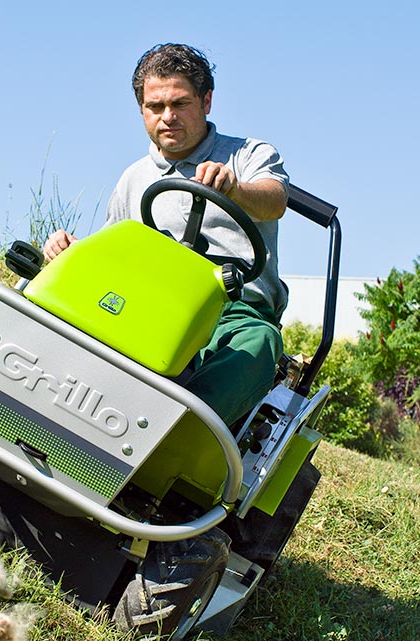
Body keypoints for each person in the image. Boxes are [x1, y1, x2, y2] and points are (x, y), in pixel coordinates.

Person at [42, 43, 289, 426]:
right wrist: (72, 252)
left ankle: (176, 440)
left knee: (259, 344)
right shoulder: (134, 178)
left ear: (206, 101)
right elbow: (113, 255)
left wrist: (236, 189)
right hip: (150, 303)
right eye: (155, 107)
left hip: (232, 310)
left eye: (180, 104)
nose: (168, 117)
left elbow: (274, 200)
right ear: (141, 109)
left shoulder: (247, 155)